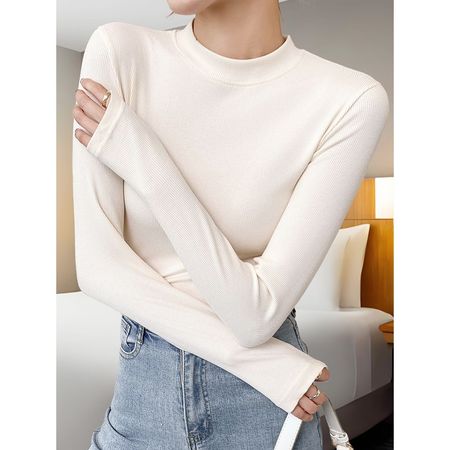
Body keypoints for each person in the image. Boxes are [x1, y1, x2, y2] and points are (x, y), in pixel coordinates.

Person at [72, 0, 389, 448]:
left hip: (265, 417)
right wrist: (266, 366)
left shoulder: (350, 100)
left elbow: (256, 316)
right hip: (170, 392)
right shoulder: (119, 50)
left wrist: (145, 160)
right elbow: (97, 267)